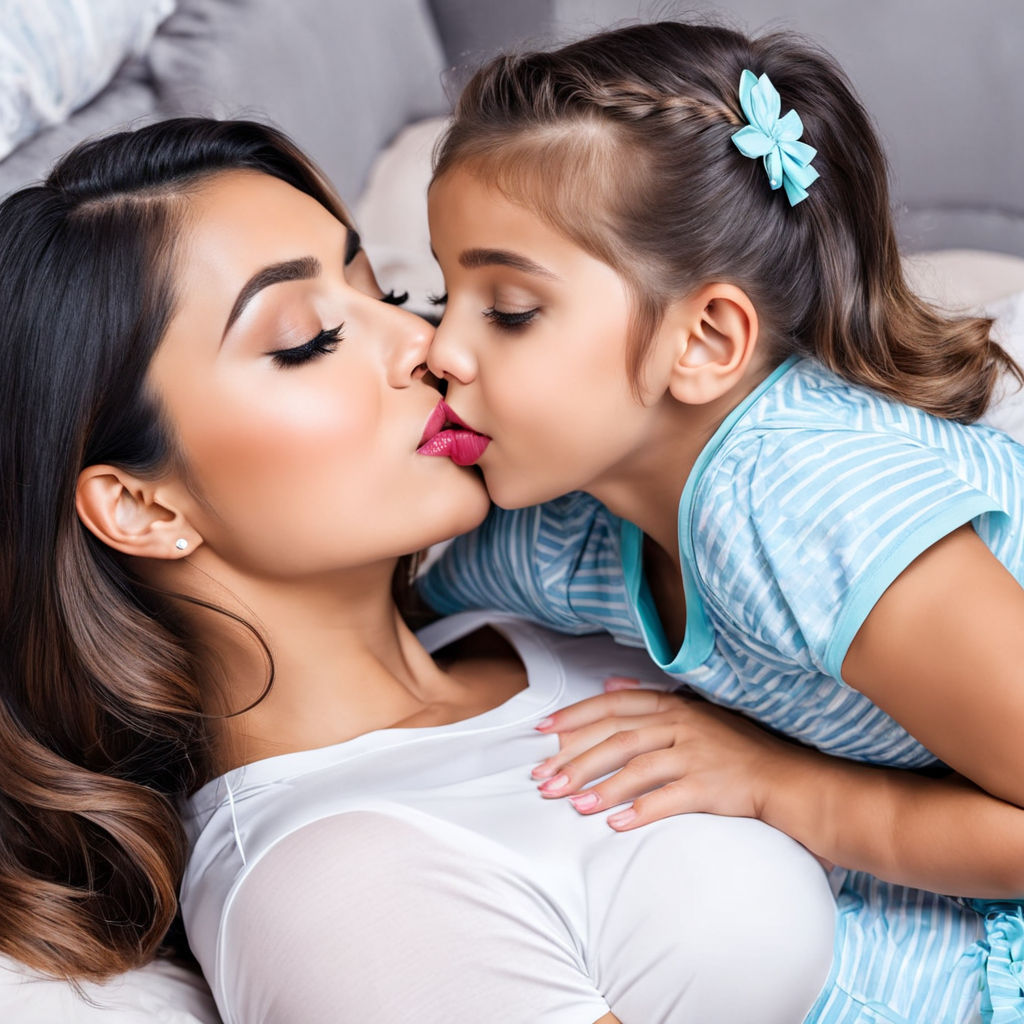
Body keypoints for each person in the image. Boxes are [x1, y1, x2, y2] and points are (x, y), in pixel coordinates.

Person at [0, 116, 838, 1024]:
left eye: (389, 289)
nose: (423, 342)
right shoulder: (334, 890)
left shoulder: (548, 598)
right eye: (310, 338)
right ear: (144, 507)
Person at [419, 20, 1024, 1024]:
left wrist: (778, 786)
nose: (438, 348)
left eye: (510, 308)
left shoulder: (808, 505)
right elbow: (380, 629)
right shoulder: (562, 527)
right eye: (438, 292)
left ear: (703, 338)